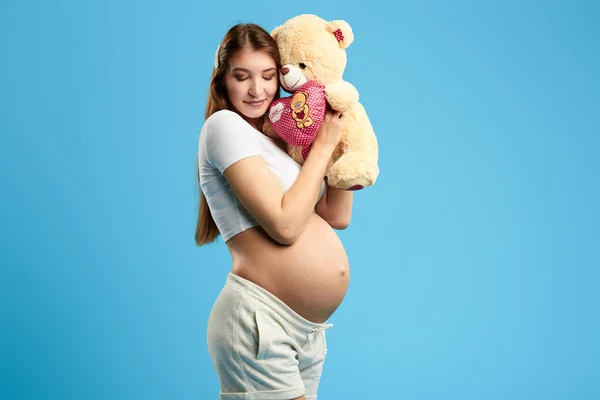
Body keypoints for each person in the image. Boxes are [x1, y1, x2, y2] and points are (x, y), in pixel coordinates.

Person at [196, 22, 353, 400]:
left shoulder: (276, 138)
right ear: (222, 81)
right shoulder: (223, 127)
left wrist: (338, 142)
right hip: (260, 321)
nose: (257, 90)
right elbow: (285, 226)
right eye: (242, 76)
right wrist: (321, 149)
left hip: (303, 329)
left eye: (268, 76)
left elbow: (336, 216)